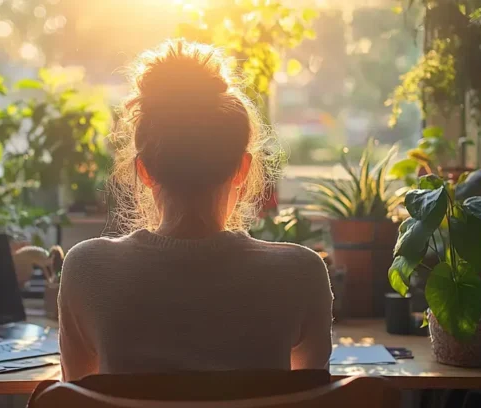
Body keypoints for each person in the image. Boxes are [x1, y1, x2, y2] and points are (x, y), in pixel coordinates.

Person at [58, 40, 333, 382]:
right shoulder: (301, 273)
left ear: (143, 170)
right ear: (242, 169)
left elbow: (77, 403)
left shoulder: (87, 269)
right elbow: (305, 405)